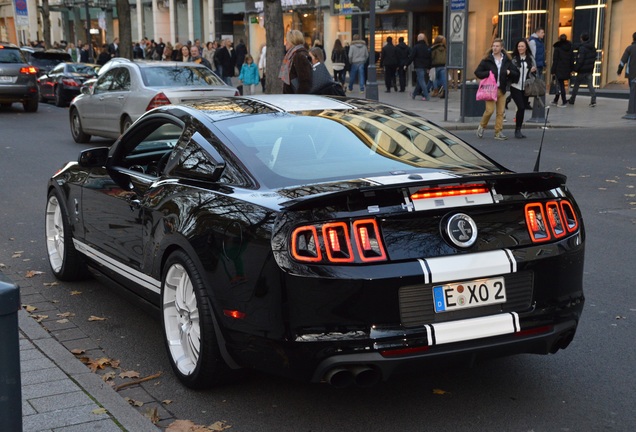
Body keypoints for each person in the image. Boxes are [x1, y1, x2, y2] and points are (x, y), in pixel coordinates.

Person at [474, 38, 520, 141]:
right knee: (489, 111)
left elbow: (516, 72)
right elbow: (477, 72)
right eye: (493, 46)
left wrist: (509, 72)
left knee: (500, 112)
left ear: (502, 48)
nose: (494, 48)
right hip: (490, 89)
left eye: (497, 46)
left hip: (501, 89)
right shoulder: (487, 60)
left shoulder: (507, 60)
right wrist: (488, 74)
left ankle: (498, 132)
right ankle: (482, 126)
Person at [510, 38, 537, 138]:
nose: (520, 48)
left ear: (526, 47)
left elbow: (535, 69)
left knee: (522, 108)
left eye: (522, 46)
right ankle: (517, 130)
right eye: (519, 46)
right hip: (515, 86)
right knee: (520, 107)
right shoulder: (514, 58)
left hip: (526, 86)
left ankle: (519, 129)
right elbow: (510, 70)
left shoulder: (530, 58)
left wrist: (533, 70)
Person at [279, 29, 313, 94]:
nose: (285, 43)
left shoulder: (299, 56)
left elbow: (305, 81)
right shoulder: (292, 55)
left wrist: (297, 98)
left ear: (293, 41)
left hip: (295, 99)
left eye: (287, 41)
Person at [568, 33, 597, 107]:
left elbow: (580, 60)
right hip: (589, 69)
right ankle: (593, 100)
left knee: (576, 85)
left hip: (582, 70)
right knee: (590, 85)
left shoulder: (582, 48)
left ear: (582, 39)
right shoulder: (592, 47)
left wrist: (575, 68)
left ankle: (572, 99)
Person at [406, 33, 432, 101]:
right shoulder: (427, 47)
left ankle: (426, 96)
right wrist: (429, 67)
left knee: (421, 81)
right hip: (425, 66)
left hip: (418, 66)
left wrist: (406, 64)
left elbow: (411, 57)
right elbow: (430, 58)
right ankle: (414, 94)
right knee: (419, 81)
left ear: (418, 39)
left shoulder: (416, 47)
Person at [551, 34, 573, 107]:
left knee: (560, 85)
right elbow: (572, 59)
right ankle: (556, 100)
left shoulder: (557, 48)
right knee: (561, 84)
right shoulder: (569, 47)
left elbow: (555, 60)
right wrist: (571, 68)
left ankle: (563, 101)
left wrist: (553, 71)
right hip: (566, 68)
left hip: (559, 68)